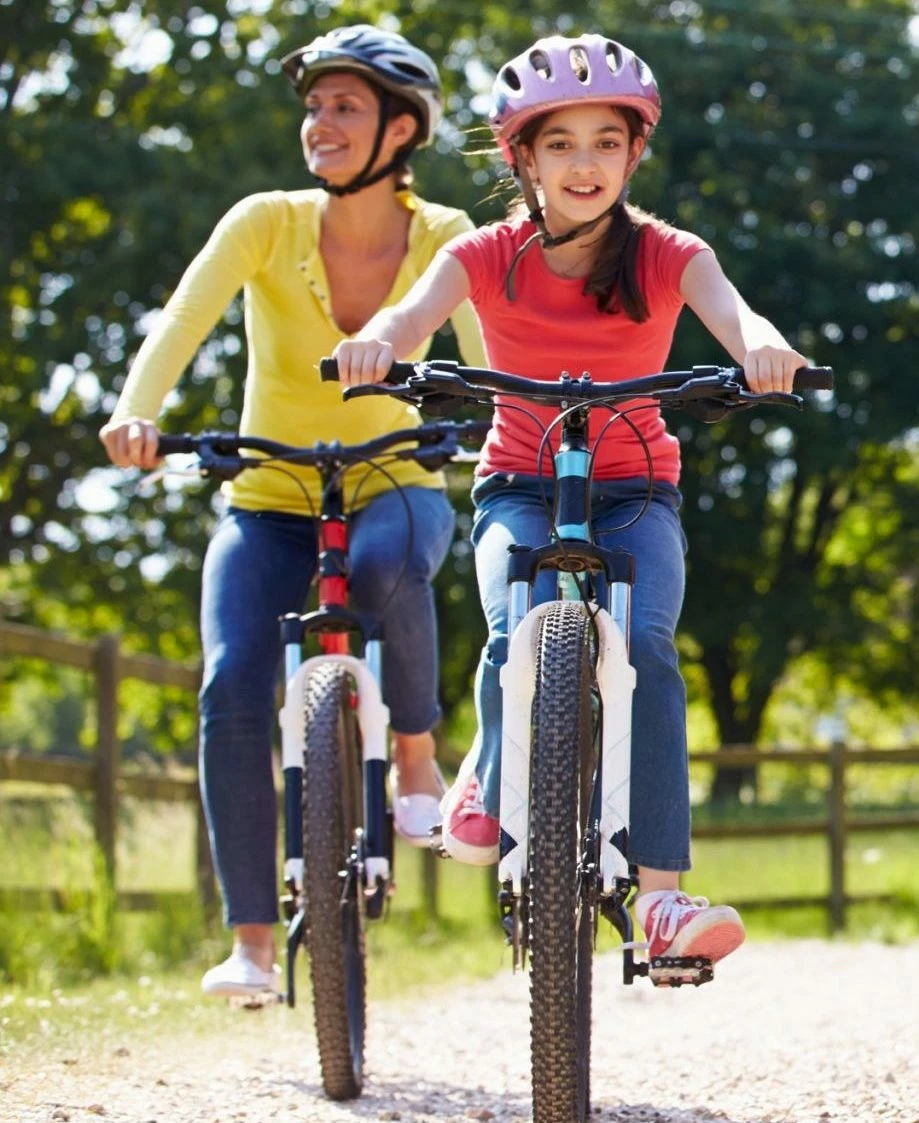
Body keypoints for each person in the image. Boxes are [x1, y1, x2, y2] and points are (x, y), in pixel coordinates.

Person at [332, 33, 813, 968]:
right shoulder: (484, 254)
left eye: (605, 141)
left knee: (644, 647)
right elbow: (410, 315)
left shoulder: (670, 253)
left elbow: (736, 313)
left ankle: (663, 900)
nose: (584, 162)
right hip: (518, 481)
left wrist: (764, 348)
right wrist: (380, 343)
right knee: (515, 620)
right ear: (522, 158)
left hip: (638, 491)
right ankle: (489, 770)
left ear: (635, 154)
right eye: (560, 143)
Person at [99, 25, 486, 1001]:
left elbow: (488, 367)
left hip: (394, 479)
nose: (320, 123)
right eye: (313, 106)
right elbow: (183, 319)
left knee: (387, 567)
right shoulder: (264, 220)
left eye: (344, 107)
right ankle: (253, 946)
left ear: (402, 128)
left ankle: (412, 754)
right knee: (232, 683)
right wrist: (136, 412)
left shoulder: (446, 239)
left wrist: (505, 431)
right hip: (269, 494)